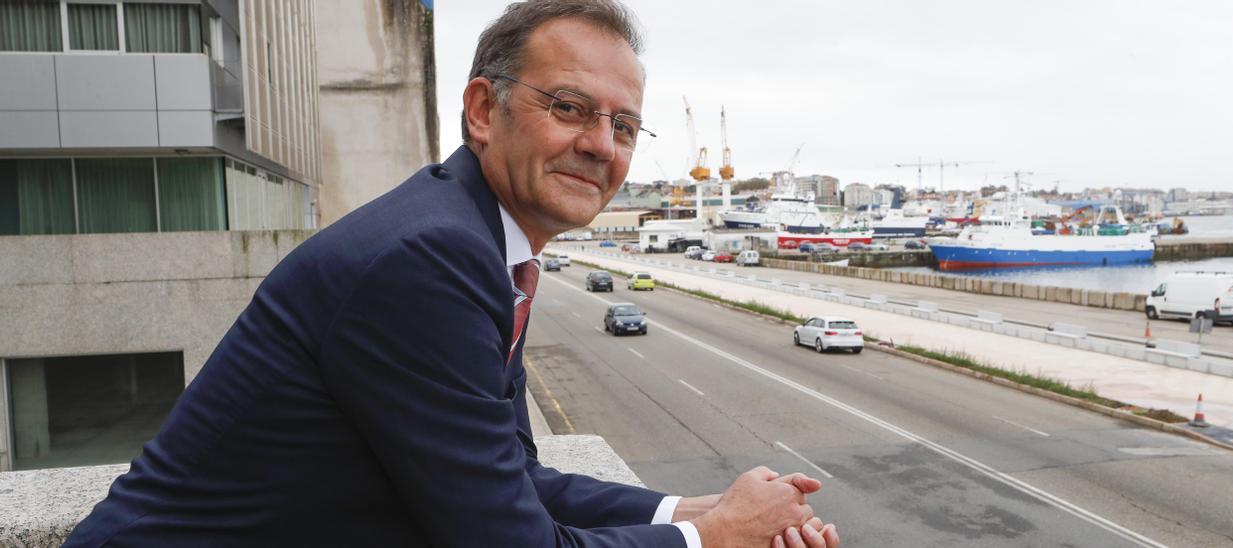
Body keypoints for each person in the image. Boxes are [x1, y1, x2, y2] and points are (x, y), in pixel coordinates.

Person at [65, 1, 839, 546]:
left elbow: (515, 477)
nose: (603, 145)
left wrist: (695, 507)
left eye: (625, 125)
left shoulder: (483, 240)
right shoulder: (430, 257)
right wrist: (715, 536)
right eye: (570, 107)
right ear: (481, 110)